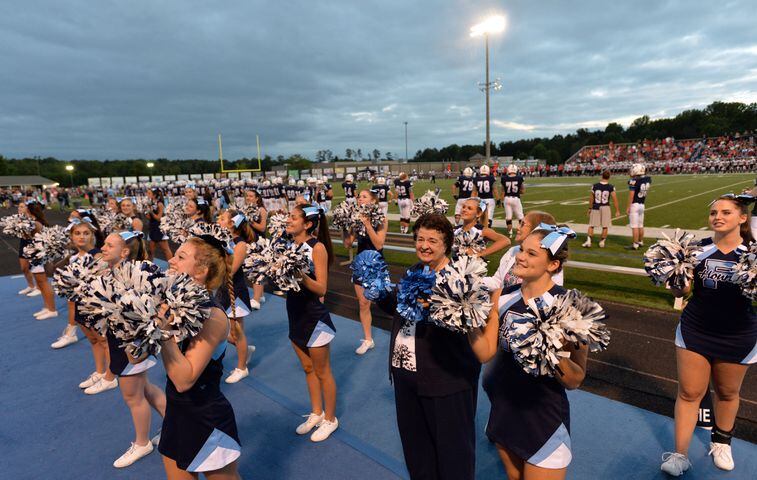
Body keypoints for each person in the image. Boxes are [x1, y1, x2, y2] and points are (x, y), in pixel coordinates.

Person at [470, 224, 587, 480]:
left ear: (553, 265)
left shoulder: (570, 307)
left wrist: (549, 352)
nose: (520, 256)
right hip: (504, 409)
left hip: (543, 419)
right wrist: (465, 318)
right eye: (522, 250)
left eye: (532, 254)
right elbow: (485, 353)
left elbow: (575, 380)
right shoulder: (501, 297)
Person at [374, 213, 483, 480]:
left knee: (453, 454)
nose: (424, 245)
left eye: (432, 240)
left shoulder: (460, 279)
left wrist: (433, 305)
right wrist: (380, 295)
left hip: (444, 380)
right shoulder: (413, 270)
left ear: (446, 244)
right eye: (420, 239)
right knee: (416, 450)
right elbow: (402, 312)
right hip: (406, 375)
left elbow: (468, 326)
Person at [660, 194, 756, 476]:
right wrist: (674, 277)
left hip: (738, 333)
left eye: (726, 212)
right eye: (714, 212)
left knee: (727, 392)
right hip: (696, 328)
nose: (718, 217)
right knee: (689, 392)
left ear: (742, 218)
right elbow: (683, 292)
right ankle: (679, 454)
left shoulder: (753, 253)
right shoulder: (694, 250)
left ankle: (722, 441)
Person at [159, 235, 242, 479]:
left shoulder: (212, 316)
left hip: (206, 420)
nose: (171, 260)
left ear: (201, 271)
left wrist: (161, 332)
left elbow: (184, 380)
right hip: (176, 414)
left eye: (181, 257)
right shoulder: (171, 302)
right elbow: (134, 359)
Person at [99, 230, 166, 468]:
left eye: (109, 245)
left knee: (133, 396)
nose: (103, 247)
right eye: (104, 244)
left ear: (124, 252)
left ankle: (142, 443)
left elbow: (149, 308)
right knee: (145, 389)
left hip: (132, 343)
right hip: (120, 341)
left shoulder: (133, 276)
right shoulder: (111, 272)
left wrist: (134, 345)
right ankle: (175, 425)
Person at [285, 205, 339, 442]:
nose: (288, 220)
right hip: (294, 315)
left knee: (322, 371)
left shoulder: (317, 248)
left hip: (314, 318)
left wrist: (300, 276)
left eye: (293, 217)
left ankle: (330, 418)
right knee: (308, 369)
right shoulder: (290, 246)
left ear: (307, 224)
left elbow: (321, 288)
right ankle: (316, 412)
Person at [345, 190, 388, 355]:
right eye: (359, 196)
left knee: (384, 301)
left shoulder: (381, 219)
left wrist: (368, 224)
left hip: (375, 264)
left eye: (364, 196)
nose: (359, 199)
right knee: (363, 304)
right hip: (360, 264)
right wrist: (344, 227)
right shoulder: (356, 220)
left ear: (373, 201)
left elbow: (379, 244)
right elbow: (348, 244)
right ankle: (368, 339)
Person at [217, 210, 256, 383]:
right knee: (219, 329)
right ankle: (245, 350)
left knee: (237, 332)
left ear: (232, 223)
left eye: (222, 218)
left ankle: (242, 368)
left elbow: (231, 271)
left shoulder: (240, 244)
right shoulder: (219, 240)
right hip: (221, 290)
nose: (218, 220)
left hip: (235, 291)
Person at [485, 211, 564, 291]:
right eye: (521, 250)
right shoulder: (513, 250)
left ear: (537, 229)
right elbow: (497, 282)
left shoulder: (548, 258)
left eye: (523, 224)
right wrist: (475, 281)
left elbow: (553, 291)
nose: (518, 228)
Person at [24, 201, 58, 320]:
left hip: (38, 255)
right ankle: (47, 307)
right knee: (40, 283)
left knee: (43, 282)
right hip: (35, 255)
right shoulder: (36, 222)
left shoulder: (34, 223)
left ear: (29, 211)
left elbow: (29, 237)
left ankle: (52, 309)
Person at [582, 170, 621, 248]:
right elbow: (615, 199)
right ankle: (602, 242)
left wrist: (590, 208)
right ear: (609, 177)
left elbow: (591, 198)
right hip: (605, 207)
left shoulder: (595, 186)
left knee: (591, 225)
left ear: (601, 176)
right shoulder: (611, 187)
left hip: (596, 206)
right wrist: (617, 210)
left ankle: (589, 241)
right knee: (605, 226)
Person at [246, 188, 268, 310]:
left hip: (259, 243)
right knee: (255, 269)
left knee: (256, 270)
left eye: (250, 196)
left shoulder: (261, 210)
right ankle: (261, 295)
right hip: (251, 242)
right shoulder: (247, 209)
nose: (248, 198)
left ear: (257, 198)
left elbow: (263, 228)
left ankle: (255, 300)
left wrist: (250, 221)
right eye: (247, 196)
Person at [16, 201, 41, 298]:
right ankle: (31, 286)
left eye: (21, 207)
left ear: (27, 208)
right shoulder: (19, 219)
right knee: (24, 267)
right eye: (19, 207)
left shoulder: (34, 219)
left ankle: (39, 288)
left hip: (33, 244)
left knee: (35, 268)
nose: (19, 208)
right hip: (23, 243)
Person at [627, 163, 651, 250]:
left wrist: (628, 207)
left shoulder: (634, 181)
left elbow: (631, 195)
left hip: (635, 204)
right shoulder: (647, 179)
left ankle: (635, 244)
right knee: (640, 225)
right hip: (642, 204)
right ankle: (641, 241)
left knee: (634, 226)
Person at [146, 188, 173, 261]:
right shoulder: (150, 203)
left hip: (160, 228)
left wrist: (151, 212)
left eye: (149, 193)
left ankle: (172, 267)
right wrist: (147, 211)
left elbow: (158, 218)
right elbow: (148, 217)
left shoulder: (160, 204)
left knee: (165, 249)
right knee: (150, 250)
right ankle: (149, 268)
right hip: (152, 227)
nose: (147, 195)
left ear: (154, 195)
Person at [501, 164, 526, 236]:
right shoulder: (519, 178)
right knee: (520, 217)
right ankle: (522, 231)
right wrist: (517, 191)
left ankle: (510, 233)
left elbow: (502, 190)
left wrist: (501, 200)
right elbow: (523, 191)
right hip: (516, 198)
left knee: (508, 217)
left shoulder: (504, 178)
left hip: (507, 198)